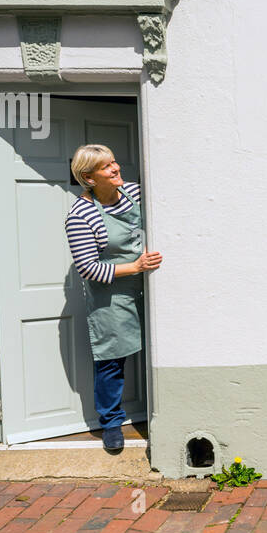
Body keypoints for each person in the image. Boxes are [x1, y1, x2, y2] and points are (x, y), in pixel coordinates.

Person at [65, 144, 161, 452]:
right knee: (111, 360)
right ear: (89, 178)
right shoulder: (81, 215)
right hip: (112, 295)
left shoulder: (134, 192)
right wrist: (134, 266)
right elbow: (88, 267)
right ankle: (110, 422)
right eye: (107, 167)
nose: (116, 168)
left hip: (149, 285)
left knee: (160, 348)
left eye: (114, 161)